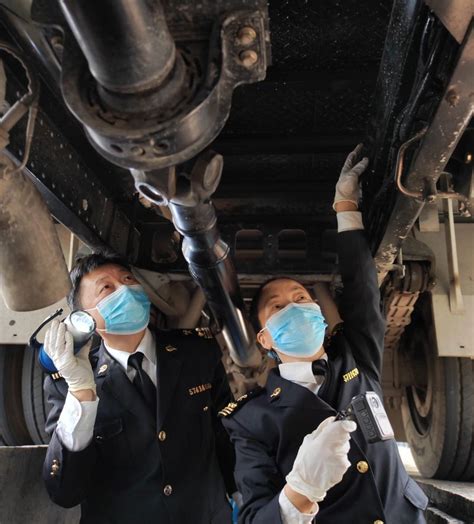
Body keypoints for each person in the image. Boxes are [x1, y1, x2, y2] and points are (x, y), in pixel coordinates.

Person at [220, 145, 429, 524]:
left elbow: (363, 291)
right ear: (264, 338)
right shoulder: (251, 419)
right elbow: (254, 516)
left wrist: (346, 207)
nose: (295, 306)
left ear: (318, 311)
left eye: (301, 297)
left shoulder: (356, 357)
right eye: (279, 306)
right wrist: (299, 490)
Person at [42, 254, 235, 523]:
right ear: (83, 319)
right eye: (106, 288)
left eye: (128, 279)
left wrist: (244, 496)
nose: (126, 290)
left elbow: (226, 434)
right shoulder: (67, 383)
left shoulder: (197, 353)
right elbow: (65, 491)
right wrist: (82, 392)